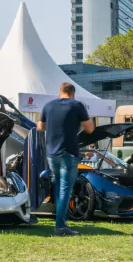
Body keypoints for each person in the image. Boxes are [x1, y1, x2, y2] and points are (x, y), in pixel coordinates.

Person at [37, 83, 94, 237]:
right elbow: (90, 128)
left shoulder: (48, 105)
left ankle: (59, 220)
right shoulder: (77, 105)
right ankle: (60, 227)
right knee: (65, 190)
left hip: (52, 154)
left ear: (60, 92)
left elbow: (40, 127)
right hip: (68, 153)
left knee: (58, 185)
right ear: (73, 93)